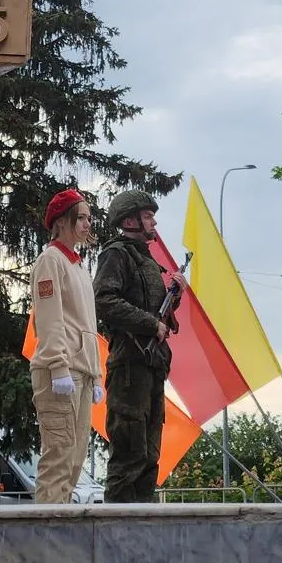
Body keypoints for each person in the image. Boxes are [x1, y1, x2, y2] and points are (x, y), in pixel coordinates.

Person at [94, 188, 173, 503]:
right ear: (130, 220)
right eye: (148, 215)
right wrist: (151, 324)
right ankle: (117, 533)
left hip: (152, 366)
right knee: (129, 453)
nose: (153, 221)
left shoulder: (148, 261)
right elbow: (104, 299)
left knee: (150, 455)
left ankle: (144, 526)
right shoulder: (117, 254)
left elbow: (158, 314)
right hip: (129, 367)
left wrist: (173, 297)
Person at [28, 188, 103, 504]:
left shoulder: (78, 266)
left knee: (74, 460)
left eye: (88, 218)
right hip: (61, 371)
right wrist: (58, 366)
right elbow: (50, 319)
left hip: (82, 371)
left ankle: (57, 530)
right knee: (59, 456)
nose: (87, 224)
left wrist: (96, 374)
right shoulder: (50, 261)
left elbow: (88, 325)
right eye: (80, 218)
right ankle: (45, 537)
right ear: (61, 222)